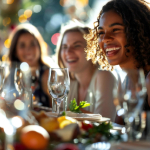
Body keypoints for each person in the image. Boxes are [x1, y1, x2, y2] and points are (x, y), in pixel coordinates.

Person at [84, 0, 150, 111]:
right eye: (101, 33)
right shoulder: (127, 82)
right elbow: (120, 127)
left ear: (138, 31)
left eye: (115, 30)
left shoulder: (149, 80)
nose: (105, 39)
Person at [56, 20, 116, 121]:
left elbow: (104, 121)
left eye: (77, 45)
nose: (68, 51)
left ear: (92, 50)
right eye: (64, 47)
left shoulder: (104, 76)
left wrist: (66, 113)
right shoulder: (67, 82)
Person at [6, 23, 52, 107]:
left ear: (39, 47)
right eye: (22, 45)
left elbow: (59, 112)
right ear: (15, 51)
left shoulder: (49, 74)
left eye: (32, 44)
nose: (28, 49)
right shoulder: (10, 76)